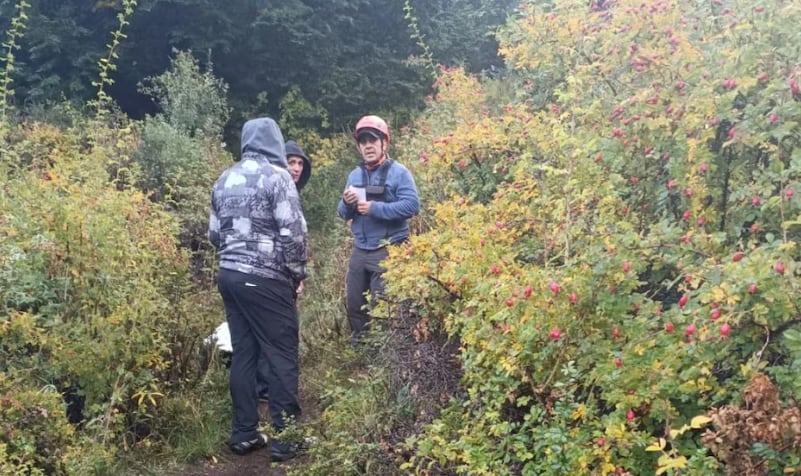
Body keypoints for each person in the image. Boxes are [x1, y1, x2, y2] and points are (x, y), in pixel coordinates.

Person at [209, 117, 307, 462]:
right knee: (281, 355)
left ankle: (245, 434)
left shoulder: (225, 178)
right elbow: (293, 234)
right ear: (276, 143)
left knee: (245, 354)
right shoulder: (278, 177)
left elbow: (214, 234)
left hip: (230, 277)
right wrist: (297, 275)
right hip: (266, 279)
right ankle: (286, 440)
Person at [337, 115, 419, 346]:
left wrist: (375, 208)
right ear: (358, 146)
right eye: (363, 142)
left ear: (385, 143)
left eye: (373, 140)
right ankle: (361, 351)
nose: (368, 146)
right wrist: (347, 202)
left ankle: (384, 356)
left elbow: (412, 206)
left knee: (381, 306)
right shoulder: (354, 175)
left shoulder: (400, 173)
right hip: (360, 250)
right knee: (354, 303)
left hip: (389, 248)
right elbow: (343, 214)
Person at [255, 139, 312, 403]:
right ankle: (272, 393)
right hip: (273, 275)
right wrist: (296, 274)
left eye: (300, 163)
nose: (297, 168)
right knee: (278, 334)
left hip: (274, 273)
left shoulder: (289, 192)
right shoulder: (275, 189)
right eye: (291, 162)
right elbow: (290, 236)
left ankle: (265, 387)